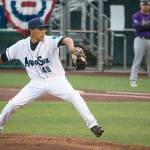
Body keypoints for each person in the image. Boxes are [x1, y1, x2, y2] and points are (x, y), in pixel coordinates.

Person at [0, 17, 104, 137]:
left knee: (74, 96)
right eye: (40, 29)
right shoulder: (20, 46)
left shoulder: (49, 41)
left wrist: (71, 49)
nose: (44, 31)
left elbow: (67, 39)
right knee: (13, 104)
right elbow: (3, 57)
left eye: (44, 29)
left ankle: (93, 125)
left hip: (57, 80)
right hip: (36, 83)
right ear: (31, 30)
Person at [130, 0, 150, 87]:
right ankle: (133, 80)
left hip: (149, 39)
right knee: (137, 61)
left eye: (147, 5)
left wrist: (144, 25)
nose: (146, 6)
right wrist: (146, 25)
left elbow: (143, 26)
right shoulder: (136, 15)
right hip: (139, 39)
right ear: (140, 5)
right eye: (144, 4)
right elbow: (137, 27)